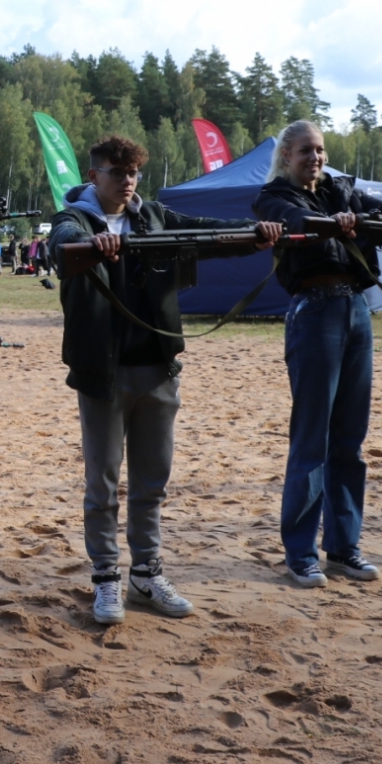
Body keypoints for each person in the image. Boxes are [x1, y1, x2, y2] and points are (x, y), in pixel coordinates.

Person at [50, 135, 280, 624]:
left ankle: (146, 574)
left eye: (133, 171)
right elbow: (59, 247)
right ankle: (107, 578)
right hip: (102, 375)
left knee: (152, 482)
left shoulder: (153, 216)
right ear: (94, 177)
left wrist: (254, 232)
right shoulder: (74, 219)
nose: (128, 180)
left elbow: (205, 233)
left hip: (158, 368)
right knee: (103, 485)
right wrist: (93, 244)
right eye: (118, 171)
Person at [253, 120, 382, 588]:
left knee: (349, 439)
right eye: (306, 150)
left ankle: (344, 547)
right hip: (314, 313)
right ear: (287, 155)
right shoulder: (274, 195)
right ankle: (300, 553)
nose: (316, 158)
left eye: (321, 150)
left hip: (355, 310)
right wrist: (335, 224)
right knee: (312, 440)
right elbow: (294, 223)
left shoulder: (341, 189)